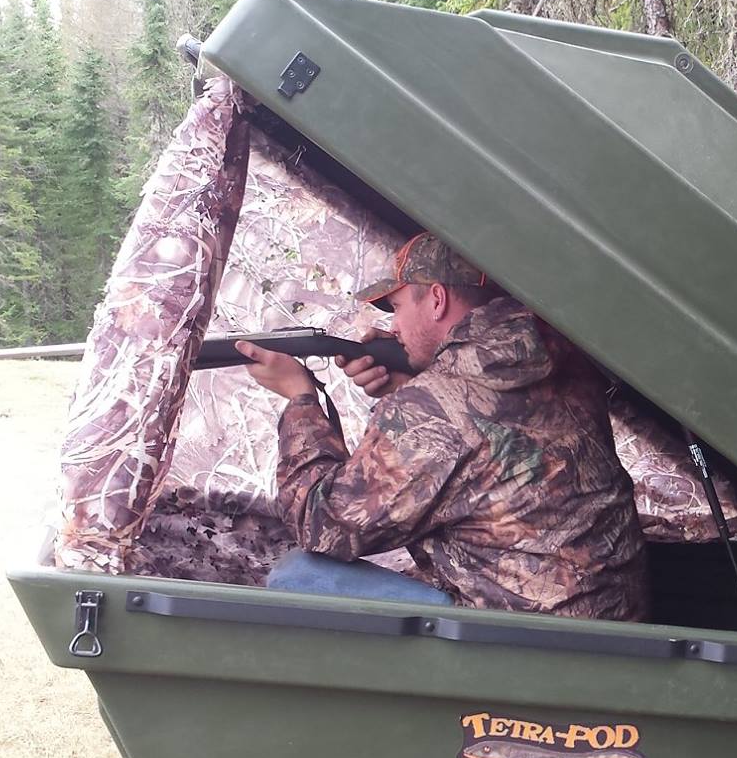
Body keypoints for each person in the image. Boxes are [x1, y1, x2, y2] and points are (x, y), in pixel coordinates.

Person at [234, 232, 650, 621]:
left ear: (436, 300)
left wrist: (300, 399)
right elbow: (487, 425)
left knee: (300, 574)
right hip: (608, 619)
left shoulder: (433, 406)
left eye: (397, 309)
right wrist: (416, 378)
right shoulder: (564, 359)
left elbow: (319, 522)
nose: (392, 327)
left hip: (519, 644)